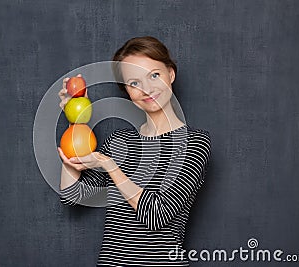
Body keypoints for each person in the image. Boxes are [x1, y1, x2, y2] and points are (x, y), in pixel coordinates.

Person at [57, 36, 211, 267]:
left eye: (154, 75)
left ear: (171, 74)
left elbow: (156, 216)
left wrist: (111, 167)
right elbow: (72, 195)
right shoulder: (118, 142)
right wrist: (75, 122)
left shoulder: (194, 143)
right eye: (134, 83)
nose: (147, 89)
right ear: (127, 91)